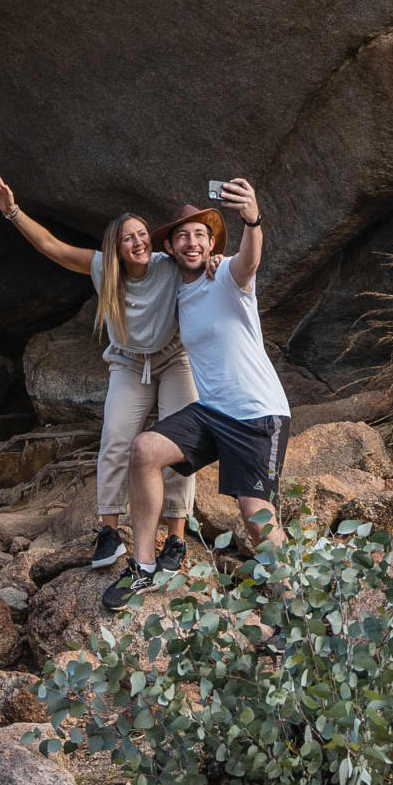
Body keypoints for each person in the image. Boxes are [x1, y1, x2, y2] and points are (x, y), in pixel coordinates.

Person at [0, 170, 197, 572]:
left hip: (174, 358)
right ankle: (110, 532)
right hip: (129, 362)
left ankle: (176, 539)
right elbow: (53, 247)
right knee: (115, 440)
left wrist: (216, 256)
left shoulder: (168, 266)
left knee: (179, 445)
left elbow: (200, 256)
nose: (138, 242)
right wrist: (12, 211)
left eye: (142, 234)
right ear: (116, 247)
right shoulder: (103, 268)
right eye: (128, 237)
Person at [116, 176, 284, 605]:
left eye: (200, 236)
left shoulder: (227, 275)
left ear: (212, 245)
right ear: (169, 249)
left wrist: (253, 219)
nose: (192, 243)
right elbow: (131, 273)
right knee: (145, 450)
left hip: (256, 414)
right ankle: (143, 567)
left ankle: (296, 608)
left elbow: (250, 261)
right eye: (182, 237)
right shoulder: (180, 290)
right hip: (212, 411)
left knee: (255, 517)